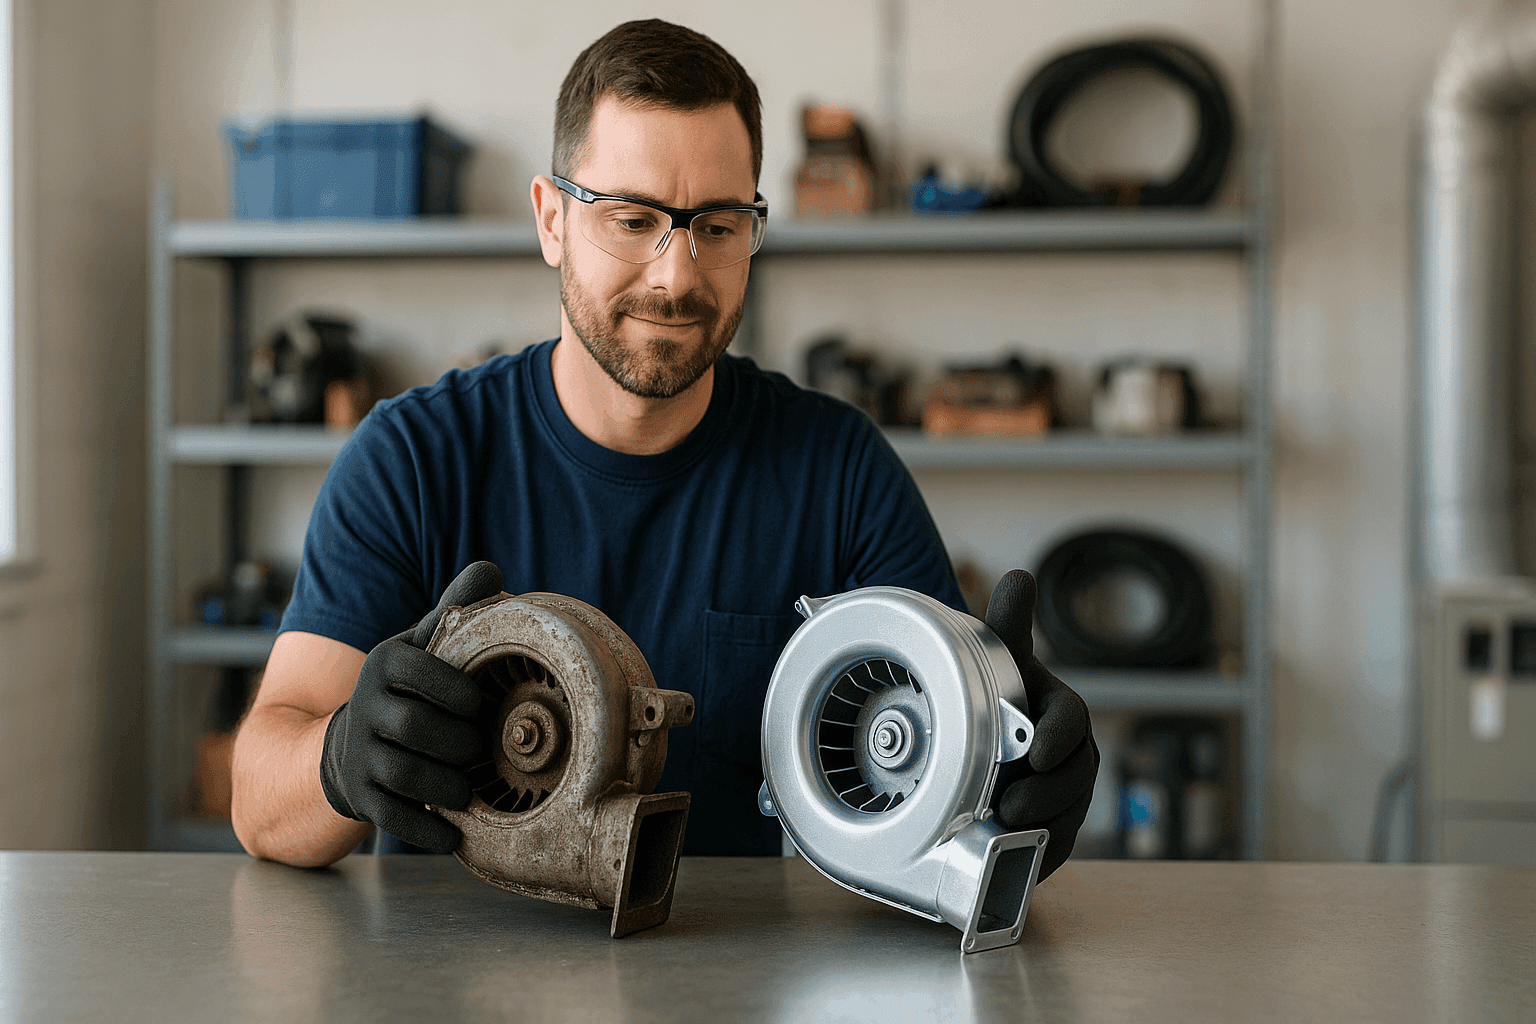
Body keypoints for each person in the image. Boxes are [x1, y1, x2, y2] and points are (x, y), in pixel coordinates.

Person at [230, 19, 1098, 876]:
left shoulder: (837, 470)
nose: (676, 275)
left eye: (717, 226)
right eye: (632, 218)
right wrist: (340, 758)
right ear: (551, 220)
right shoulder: (412, 459)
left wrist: (1010, 782)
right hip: (447, 960)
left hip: (736, 960)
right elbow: (259, 805)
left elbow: (947, 769)